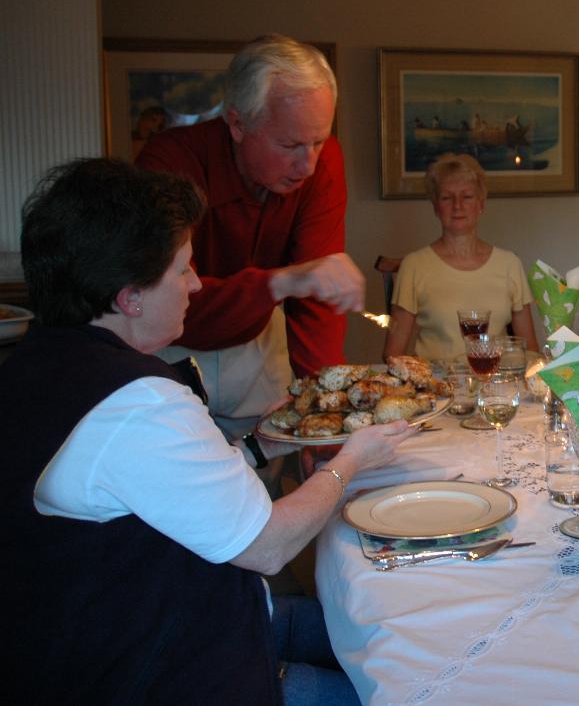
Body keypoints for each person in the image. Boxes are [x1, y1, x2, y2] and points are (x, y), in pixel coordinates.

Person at [2, 158, 413, 704]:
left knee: (397, 617)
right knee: (410, 680)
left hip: (159, 624)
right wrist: (352, 460)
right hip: (165, 670)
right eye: (183, 269)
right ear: (130, 297)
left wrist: (262, 445)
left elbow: (165, 486)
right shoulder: (138, 403)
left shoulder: (37, 365)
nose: (197, 285)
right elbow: (271, 545)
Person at [137, 34, 364, 425]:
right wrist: (278, 283)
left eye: (319, 141)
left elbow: (317, 298)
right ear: (237, 123)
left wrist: (323, 408)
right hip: (170, 353)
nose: (307, 165)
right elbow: (163, 305)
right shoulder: (169, 163)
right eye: (290, 144)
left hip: (260, 354)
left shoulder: (321, 164)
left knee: (268, 475)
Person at [383, 153, 537, 361]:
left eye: (467, 197)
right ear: (436, 207)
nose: (457, 206)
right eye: (447, 197)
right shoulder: (414, 266)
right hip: (435, 388)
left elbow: (531, 352)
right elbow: (393, 354)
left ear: (481, 204)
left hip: (496, 386)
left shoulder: (510, 264)